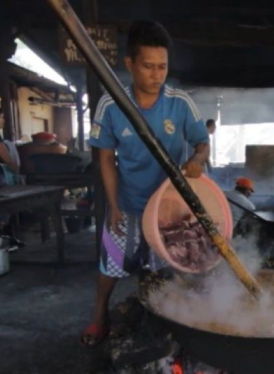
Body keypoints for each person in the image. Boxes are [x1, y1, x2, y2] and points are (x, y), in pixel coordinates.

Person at [83, 21, 210, 346]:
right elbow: (106, 161)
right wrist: (113, 206)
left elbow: (201, 142)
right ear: (130, 64)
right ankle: (99, 316)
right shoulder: (111, 106)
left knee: (165, 270)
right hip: (126, 204)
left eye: (163, 67)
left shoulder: (180, 102)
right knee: (110, 264)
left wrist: (197, 160)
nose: (157, 75)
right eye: (149, 67)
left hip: (170, 209)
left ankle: (162, 323)